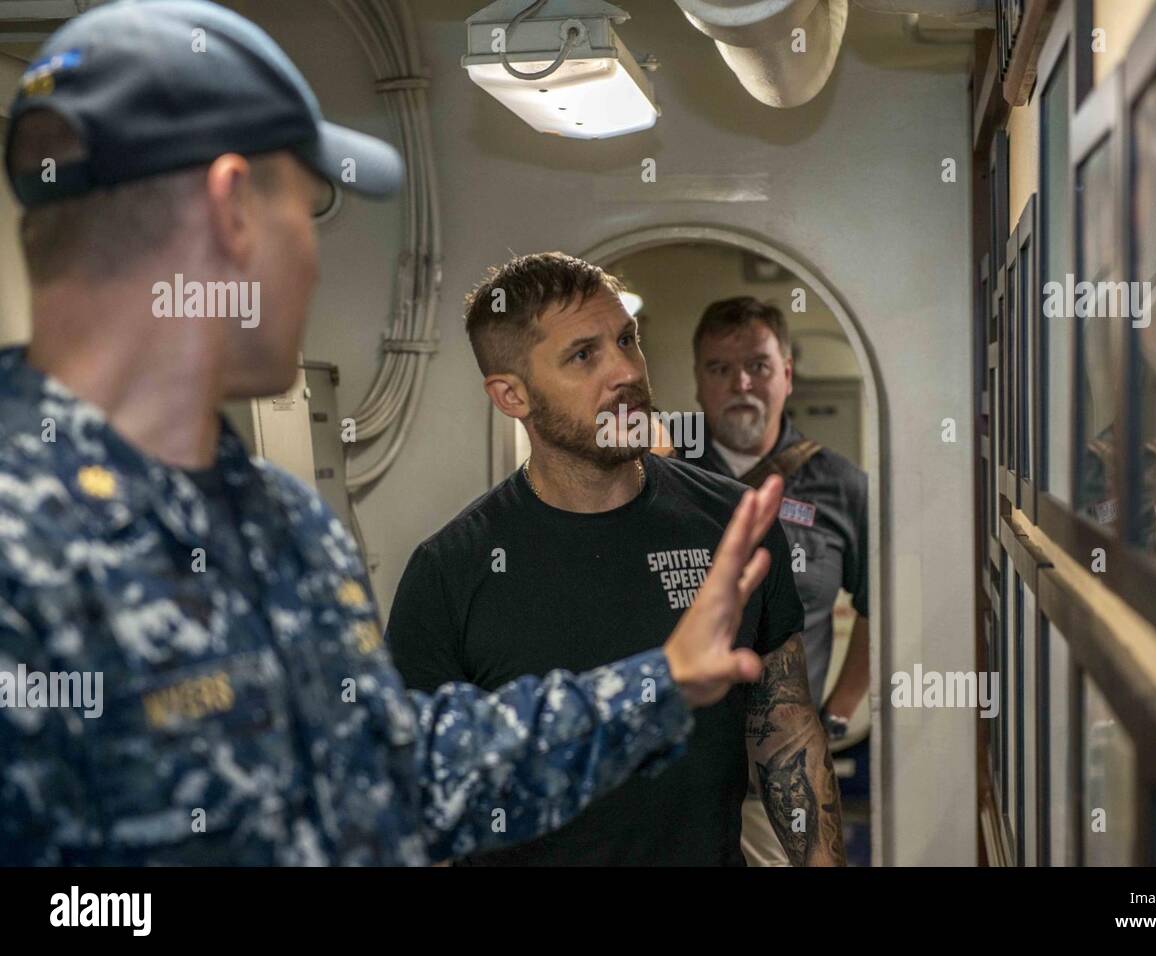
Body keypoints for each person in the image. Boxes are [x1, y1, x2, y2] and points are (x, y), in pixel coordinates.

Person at [0, 0, 784, 866]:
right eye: (307, 209)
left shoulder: (281, 525)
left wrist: (660, 685)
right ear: (229, 211)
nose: (313, 260)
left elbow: (389, 775)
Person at [386, 253, 845, 866]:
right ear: (511, 394)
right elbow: (416, 792)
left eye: (627, 340)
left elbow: (784, 727)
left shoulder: (735, 524)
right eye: (584, 355)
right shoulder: (449, 572)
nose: (626, 371)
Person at [687, 296, 871, 866]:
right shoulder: (662, 480)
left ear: (787, 375)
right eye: (720, 368)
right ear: (698, 382)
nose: (740, 382)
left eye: (758, 366)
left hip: (781, 786)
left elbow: (879, 606)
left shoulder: (843, 487)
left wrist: (838, 710)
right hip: (675, 778)